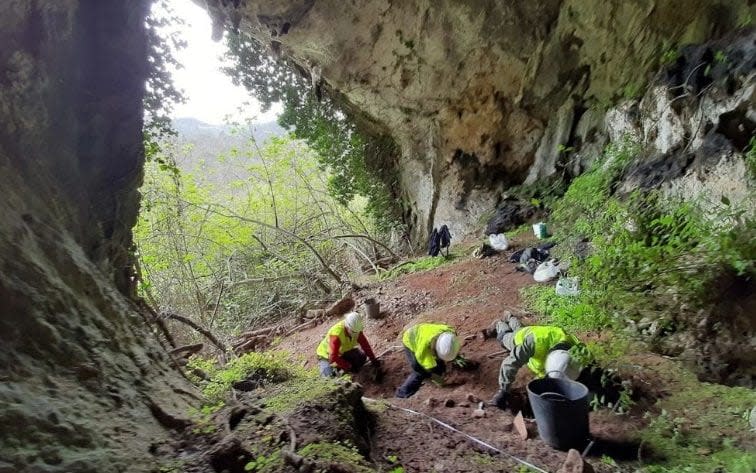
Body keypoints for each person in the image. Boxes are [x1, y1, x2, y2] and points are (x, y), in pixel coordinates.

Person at [483, 313, 581, 409]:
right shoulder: (533, 344)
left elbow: (557, 373)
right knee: (504, 337)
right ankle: (499, 324)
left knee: (519, 329)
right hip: (524, 338)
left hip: (533, 332)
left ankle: (510, 317)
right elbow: (510, 363)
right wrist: (504, 390)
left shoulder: (576, 354)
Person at [396, 322, 461, 398]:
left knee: (438, 363)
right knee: (420, 371)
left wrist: (456, 357)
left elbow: (450, 345)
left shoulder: (449, 332)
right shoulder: (423, 353)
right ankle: (402, 393)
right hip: (409, 339)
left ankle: (439, 370)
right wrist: (435, 378)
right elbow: (422, 366)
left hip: (422, 331)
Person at [316, 312, 379, 377]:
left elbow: (365, 346)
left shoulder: (357, 330)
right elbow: (333, 356)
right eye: (353, 332)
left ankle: (341, 366)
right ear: (347, 326)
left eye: (357, 332)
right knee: (329, 377)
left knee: (361, 358)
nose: (356, 334)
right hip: (326, 355)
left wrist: (373, 360)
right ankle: (333, 368)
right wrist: (348, 366)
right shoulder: (336, 334)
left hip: (341, 352)